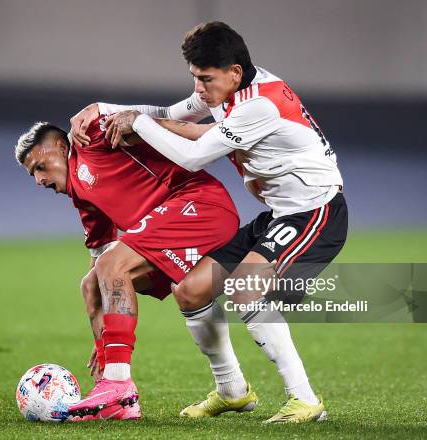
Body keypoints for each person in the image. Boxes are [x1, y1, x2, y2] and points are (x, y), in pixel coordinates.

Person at [71, 21, 347, 423]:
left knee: (246, 290)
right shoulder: (227, 90)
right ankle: (232, 390)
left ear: (234, 72)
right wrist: (104, 109)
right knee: (191, 291)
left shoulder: (261, 104)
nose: (198, 89)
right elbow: (167, 113)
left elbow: (192, 156)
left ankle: (305, 399)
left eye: (205, 79)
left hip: (316, 210)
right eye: (194, 79)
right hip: (279, 214)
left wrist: (138, 124)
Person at [14, 116, 255, 420]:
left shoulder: (91, 139)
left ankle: (118, 383)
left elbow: (131, 118)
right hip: (181, 222)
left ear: (62, 147)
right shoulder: (84, 198)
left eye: (40, 166)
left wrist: (101, 108)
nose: (38, 180)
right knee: (90, 285)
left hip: (200, 205)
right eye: (32, 175)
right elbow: (99, 265)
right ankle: (117, 399)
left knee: (112, 266)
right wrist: (106, 341)